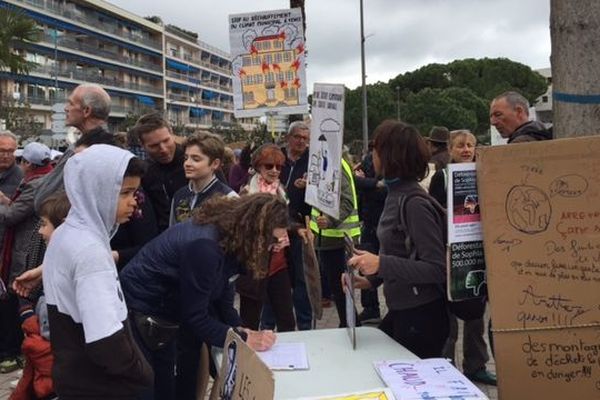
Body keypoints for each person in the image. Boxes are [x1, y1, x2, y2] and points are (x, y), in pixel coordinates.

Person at [120, 194, 280, 400]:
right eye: (272, 241)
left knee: (166, 387)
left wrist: (240, 330)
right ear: (257, 232)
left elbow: (222, 294)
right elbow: (195, 317)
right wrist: (242, 339)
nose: (271, 248)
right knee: (153, 390)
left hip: (160, 314)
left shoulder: (228, 238)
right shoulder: (205, 247)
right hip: (143, 312)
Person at [42, 145, 153, 398]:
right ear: (95, 191)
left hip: (74, 376)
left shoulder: (65, 232)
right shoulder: (90, 251)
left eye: (135, 191)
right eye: (124, 192)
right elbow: (105, 340)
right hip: (102, 386)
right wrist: (141, 372)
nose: (133, 201)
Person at [348, 120, 449, 358]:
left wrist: (381, 264)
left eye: (376, 149)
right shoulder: (395, 194)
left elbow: (437, 269)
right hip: (404, 311)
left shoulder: (414, 203)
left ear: (390, 156)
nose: (371, 154)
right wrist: (371, 281)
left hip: (422, 318)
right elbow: (403, 253)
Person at [428, 130, 497, 386]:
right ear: (450, 149)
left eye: (470, 145)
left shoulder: (484, 173)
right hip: (450, 251)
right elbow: (434, 215)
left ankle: (476, 365)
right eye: (460, 146)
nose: (466, 149)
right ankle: (446, 365)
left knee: (476, 310)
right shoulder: (442, 177)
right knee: (449, 313)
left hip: (477, 251)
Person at [10, 192, 70, 400]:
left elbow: (48, 333)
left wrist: (28, 317)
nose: (41, 231)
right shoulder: (54, 262)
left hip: (54, 375)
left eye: (44, 224)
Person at [0, 142, 53, 374]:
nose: (7, 156)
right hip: (24, 248)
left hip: (26, 250)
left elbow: (12, 216)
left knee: (16, 298)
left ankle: (12, 352)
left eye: (11, 152)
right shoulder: (44, 177)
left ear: (27, 163)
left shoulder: (33, 183)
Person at [236, 144, 295, 332]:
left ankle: (289, 359)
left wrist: (297, 229)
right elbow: (242, 229)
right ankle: (249, 357)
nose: (275, 170)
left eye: (279, 166)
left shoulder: (281, 191)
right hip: (255, 264)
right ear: (258, 167)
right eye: (269, 166)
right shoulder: (247, 192)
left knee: (286, 319)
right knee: (250, 320)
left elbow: (284, 223)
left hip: (279, 261)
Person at [34, 83, 117, 212]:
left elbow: (44, 196)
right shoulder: (112, 148)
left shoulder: (82, 151)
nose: (66, 108)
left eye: (71, 104)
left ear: (86, 111)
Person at [309, 155, 361, 328]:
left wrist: (330, 220)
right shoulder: (324, 160)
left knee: (341, 290)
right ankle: (348, 325)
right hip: (329, 237)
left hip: (338, 237)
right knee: (339, 290)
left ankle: (351, 326)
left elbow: (347, 201)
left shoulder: (334, 162)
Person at [278, 121, 314, 329]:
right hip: (276, 227)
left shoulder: (313, 161)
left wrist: (310, 186)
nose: (301, 141)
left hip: (302, 226)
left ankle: (305, 325)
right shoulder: (277, 158)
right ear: (288, 137)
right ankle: (274, 325)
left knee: (302, 280)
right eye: (297, 137)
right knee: (277, 278)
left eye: (305, 138)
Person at [131, 113, 187, 232]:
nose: (163, 149)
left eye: (166, 141)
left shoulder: (197, 159)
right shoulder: (145, 173)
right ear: (142, 145)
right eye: (154, 146)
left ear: (171, 133)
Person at [170, 132, 236, 226]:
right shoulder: (179, 196)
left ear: (215, 164)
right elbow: (173, 233)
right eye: (186, 158)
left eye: (196, 159)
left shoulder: (228, 198)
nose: (187, 163)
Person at [353, 143, 386, 324]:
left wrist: (368, 185)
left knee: (384, 263)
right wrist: (374, 184)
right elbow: (355, 180)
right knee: (364, 264)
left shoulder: (391, 164)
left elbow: (386, 191)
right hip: (369, 221)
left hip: (383, 222)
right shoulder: (366, 161)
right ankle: (370, 307)